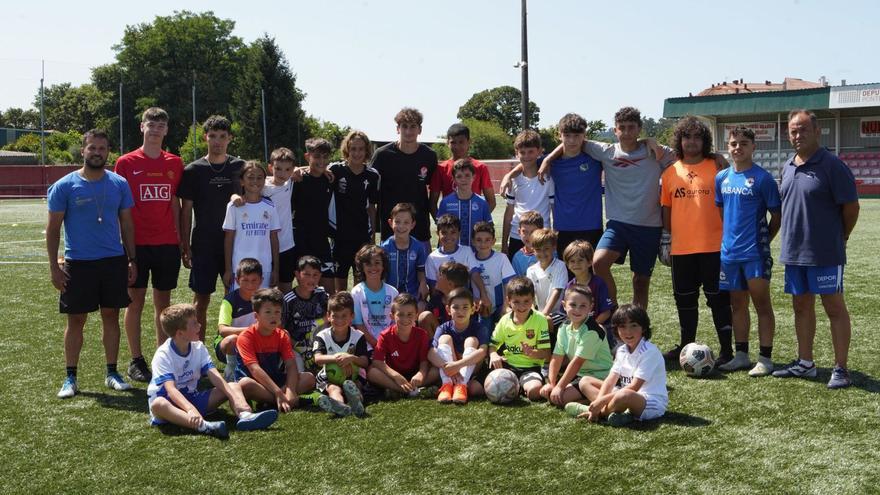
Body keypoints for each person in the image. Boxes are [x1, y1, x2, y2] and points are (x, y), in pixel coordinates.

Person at [535, 108, 676, 309]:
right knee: (598, 263)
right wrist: (548, 159)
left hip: (649, 225)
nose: (626, 132)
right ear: (615, 130)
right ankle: (615, 312)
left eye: (631, 128)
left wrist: (715, 157)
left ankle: (638, 322)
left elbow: (687, 157)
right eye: (622, 128)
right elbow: (572, 142)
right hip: (617, 224)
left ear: (639, 129)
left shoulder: (655, 151)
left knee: (640, 280)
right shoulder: (606, 151)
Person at [772, 109, 859, 388]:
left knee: (834, 307)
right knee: (801, 306)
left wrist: (841, 236)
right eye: (793, 131)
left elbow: (851, 208)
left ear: (817, 131)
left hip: (825, 252)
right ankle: (805, 363)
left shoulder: (832, 165)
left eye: (803, 129)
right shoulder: (786, 166)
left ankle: (841, 368)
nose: (797, 135)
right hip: (794, 252)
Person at [49, 129, 138, 398]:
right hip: (79, 262)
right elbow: (53, 229)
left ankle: (112, 372)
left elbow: (127, 224)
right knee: (76, 320)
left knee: (111, 315)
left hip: (113, 261)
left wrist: (131, 259)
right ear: (83, 151)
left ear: (108, 151)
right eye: (92, 148)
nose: (97, 152)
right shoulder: (65, 185)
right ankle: (70, 378)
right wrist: (54, 267)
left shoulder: (119, 183)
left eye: (102, 148)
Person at [113, 107, 184, 383]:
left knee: (163, 306)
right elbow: (120, 208)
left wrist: (181, 240)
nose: (155, 129)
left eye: (161, 125)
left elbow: (176, 204)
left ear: (166, 130)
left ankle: (160, 357)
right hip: (136, 245)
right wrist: (125, 246)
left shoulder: (175, 163)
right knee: (134, 303)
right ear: (142, 127)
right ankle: (136, 359)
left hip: (167, 243)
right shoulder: (126, 163)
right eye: (150, 124)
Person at [659, 116, 733, 365]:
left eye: (697, 136)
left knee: (719, 299)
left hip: (715, 247)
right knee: (685, 300)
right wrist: (666, 240)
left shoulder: (718, 167)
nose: (691, 141)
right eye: (686, 136)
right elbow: (666, 210)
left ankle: (727, 351)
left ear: (705, 141)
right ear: (679, 141)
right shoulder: (670, 173)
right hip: (682, 249)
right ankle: (685, 345)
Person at [148, 304, 278, 437]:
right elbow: (171, 390)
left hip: (191, 397)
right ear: (180, 333)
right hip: (169, 405)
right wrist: (191, 410)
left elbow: (214, 375)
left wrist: (234, 398)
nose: (199, 326)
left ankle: (245, 415)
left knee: (232, 386)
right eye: (194, 324)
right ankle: (204, 426)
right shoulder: (163, 355)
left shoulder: (198, 347)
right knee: (158, 404)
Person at [715, 127, 781, 376]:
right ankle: (741, 354)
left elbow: (776, 216)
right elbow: (723, 213)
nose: (737, 148)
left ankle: (765, 358)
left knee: (762, 304)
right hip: (729, 254)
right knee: (737, 305)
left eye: (743, 143)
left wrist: (764, 241)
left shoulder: (763, 179)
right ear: (728, 147)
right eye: (733, 143)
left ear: (754, 147)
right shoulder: (721, 178)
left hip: (754, 253)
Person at [178, 115, 245, 338]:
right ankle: (197, 351)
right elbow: (185, 210)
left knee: (235, 296)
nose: (217, 141)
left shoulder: (240, 167)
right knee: (201, 301)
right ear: (205, 137)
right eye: (213, 136)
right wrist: (184, 244)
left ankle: (234, 353)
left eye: (222, 136)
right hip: (204, 243)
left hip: (235, 243)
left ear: (230, 139)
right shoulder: (193, 170)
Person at [573, 304, 667, 427]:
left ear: (643, 328)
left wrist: (601, 402)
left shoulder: (650, 352)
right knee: (585, 381)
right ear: (616, 329)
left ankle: (595, 412)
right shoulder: (622, 350)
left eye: (634, 325)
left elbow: (634, 388)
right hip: (623, 394)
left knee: (624, 395)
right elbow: (610, 380)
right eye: (622, 326)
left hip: (650, 402)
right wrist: (599, 401)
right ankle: (612, 412)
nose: (628, 332)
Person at [234, 288, 317, 412]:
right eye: (268, 312)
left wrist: (291, 389)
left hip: (275, 379)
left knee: (309, 378)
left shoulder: (282, 335)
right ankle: (289, 401)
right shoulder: (246, 337)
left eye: (277, 312)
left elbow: (290, 365)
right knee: (245, 385)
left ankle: (270, 402)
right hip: (255, 381)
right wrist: (278, 392)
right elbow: (254, 369)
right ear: (256, 316)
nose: (273, 316)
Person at [541, 285, 613, 407]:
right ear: (564, 305)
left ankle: (603, 405)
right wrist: (552, 383)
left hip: (601, 376)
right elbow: (556, 357)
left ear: (591, 307)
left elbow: (577, 362)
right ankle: (589, 402)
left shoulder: (592, 331)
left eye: (583, 306)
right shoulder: (564, 327)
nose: (577, 310)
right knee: (550, 394)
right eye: (573, 305)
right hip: (580, 375)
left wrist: (560, 386)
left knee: (560, 398)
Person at [329, 130, 380, 293]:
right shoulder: (335, 170)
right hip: (340, 235)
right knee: (341, 284)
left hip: (362, 235)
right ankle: (341, 316)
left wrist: (372, 237)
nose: (357, 153)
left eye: (361, 149)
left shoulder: (372, 175)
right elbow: (314, 168)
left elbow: (372, 207)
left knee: (360, 281)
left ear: (366, 151)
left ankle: (359, 316)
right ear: (347, 150)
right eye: (353, 149)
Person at [488, 277, 550, 401]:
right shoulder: (505, 320)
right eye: (516, 302)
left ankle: (521, 387)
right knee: (476, 389)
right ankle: (518, 387)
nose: (521, 306)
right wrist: (493, 355)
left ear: (533, 299)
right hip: (507, 366)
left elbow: (547, 354)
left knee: (534, 391)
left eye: (526, 301)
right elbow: (492, 345)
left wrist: (532, 353)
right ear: (508, 301)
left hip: (530, 368)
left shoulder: (540, 319)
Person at [367, 293, 439, 399]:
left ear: (416, 315)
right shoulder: (385, 335)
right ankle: (407, 390)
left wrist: (421, 374)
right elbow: (377, 361)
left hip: (415, 375)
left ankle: (405, 390)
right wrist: (395, 376)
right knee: (372, 372)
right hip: (395, 377)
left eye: (409, 314)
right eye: (400, 314)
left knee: (436, 371)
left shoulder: (422, 334)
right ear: (392, 316)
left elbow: (424, 361)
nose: (405, 319)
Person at [222, 161, 280, 289]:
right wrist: (228, 269)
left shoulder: (270, 206)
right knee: (241, 306)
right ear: (242, 181)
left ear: (265, 181)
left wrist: (276, 269)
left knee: (263, 305)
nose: (255, 181)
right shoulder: (233, 207)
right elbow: (228, 239)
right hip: (240, 268)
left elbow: (274, 239)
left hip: (264, 268)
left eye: (259, 178)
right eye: (250, 177)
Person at [313, 291, 370, 417]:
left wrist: (351, 358)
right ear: (328, 316)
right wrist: (336, 358)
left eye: (344, 316)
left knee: (356, 385)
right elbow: (317, 359)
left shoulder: (358, 336)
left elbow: (365, 362)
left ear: (352, 316)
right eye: (335, 316)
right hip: (329, 376)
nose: (339, 320)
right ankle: (339, 406)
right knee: (334, 389)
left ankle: (357, 403)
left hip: (353, 376)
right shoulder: (322, 336)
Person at [428, 288, 490, 404]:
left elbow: (483, 351)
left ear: (473, 309)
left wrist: (458, 365)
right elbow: (431, 352)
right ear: (448, 310)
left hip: (471, 368)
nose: (460, 311)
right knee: (444, 339)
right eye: (455, 307)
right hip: (449, 370)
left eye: (465, 307)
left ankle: (461, 385)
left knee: (471, 340)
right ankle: (447, 385)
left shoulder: (479, 327)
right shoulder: (443, 328)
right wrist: (448, 366)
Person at [502, 130, 554, 260]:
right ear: (516, 153)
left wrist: (554, 237)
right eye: (522, 152)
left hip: (541, 235)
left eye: (530, 151)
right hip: (517, 235)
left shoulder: (548, 179)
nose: (526, 156)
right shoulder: (513, 179)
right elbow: (509, 212)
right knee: (517, 277)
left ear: (539, 151)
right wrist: (504, 243)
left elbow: (554, 209)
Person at [292, 137, 335, 290]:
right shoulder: (298, 179)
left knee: (329, 289)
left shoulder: (329, 179)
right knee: (305, 288)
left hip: (322, 242)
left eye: (325, 157)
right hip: (301, 241)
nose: (321, 161)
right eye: (317, 156)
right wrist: (295, 169)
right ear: (307, 156)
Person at [429, 123, 496, 214]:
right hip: (451, 225)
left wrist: (480, 221)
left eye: (461, 142)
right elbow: (432, 203)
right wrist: (442, 224)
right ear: (447, 143)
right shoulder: (441, 169)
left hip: (474, 226)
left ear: (469, 142)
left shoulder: (480, 167)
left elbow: (491, 202)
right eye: (453, 142)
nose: (457, 146)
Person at [214, 258, 263, 381]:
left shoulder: (264, 299)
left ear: (261, 281)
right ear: (237, 280)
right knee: (232, 340)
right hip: (229, 344)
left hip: (253, 340)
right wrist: (250, 330)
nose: (250, 285)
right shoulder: (229, 300)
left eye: (254, 281)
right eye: (245, 280)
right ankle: (232, 369)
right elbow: (222, 330)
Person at [282, 256, 329, 375]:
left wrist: (318, 323)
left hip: (319, 344)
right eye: (306, 274)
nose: (311, 279)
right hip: (296, 347)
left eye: (315, 275)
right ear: (297, 274)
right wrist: (300, 348)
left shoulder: (322, 294)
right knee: (299, 375)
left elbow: (332, 316)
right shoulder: (288, 300)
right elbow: (281, 329)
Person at [552, 241, 614, 329]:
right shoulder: (569, 286)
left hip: (597, 328)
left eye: (580, 260)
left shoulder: (598, 283)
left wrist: (589, 327)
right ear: (568, 265)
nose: (576, 264)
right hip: (577, 328)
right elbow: (566, 313)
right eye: (572, 261)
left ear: (589, 262)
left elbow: (606, 312)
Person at [350, 244, 399, 349]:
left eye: (377, 263)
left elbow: (396, 322)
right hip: (366, 344)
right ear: (361, 267)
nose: (373, 267)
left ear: (383, 266)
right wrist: (376, 344)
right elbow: (358, 324)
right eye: (368, 264)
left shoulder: (392, 292)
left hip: (390, 342)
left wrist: (387, 343)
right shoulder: (356, 293)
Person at [437, 158, 493, 247]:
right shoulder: (446, 202)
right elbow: (440, 229)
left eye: (467, 175)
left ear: (473, 177)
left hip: (475, 252)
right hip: (453, 252)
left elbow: (488, 229)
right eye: (459, 176)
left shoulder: (482, 203)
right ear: (454, 179)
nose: (463, 179)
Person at [263, 147, 297, 293]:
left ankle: (285, 316)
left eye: (288, 169)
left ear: (292, 169)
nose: (283, 173)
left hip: (286, 246)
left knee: (286, 289)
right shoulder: (261, 186)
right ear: (270, 168)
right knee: (265, 289)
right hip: (265, 247)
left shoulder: (290, 183)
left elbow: (310, 167)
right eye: (278, 169)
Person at [380, 203, 429, 300]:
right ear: (390, 223)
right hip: (391, 296)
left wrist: (423, 284)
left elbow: (421, 270)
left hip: (412, 294)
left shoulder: (418, 247)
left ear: (413, 224)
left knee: (423, 308)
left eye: (406, 222)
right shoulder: (385, 248)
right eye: (397, 222)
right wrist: (382, 292)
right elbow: (382, 274)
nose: (401, 226)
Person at [471, 221, 516, 323]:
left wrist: (505, 306)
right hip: (480, 307)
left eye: (487, 240)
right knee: (484, 335)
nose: (483, 244)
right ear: (473, 241)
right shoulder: (469, 258)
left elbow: (508, 284)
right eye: (479, 240)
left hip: (500, 306)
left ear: (493, 241)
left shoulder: (501, 258)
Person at [418, 261, 472, 334]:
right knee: (424, 316)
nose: (436, 276)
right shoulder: (436, 299)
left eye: (440, 275)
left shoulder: (465, 301)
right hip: (440, 338)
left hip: (460, 337)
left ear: (450, 284)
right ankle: (433, 345)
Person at [526, 228, 568, 319]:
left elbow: (556, 292)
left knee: (548, 321)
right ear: (533, 250)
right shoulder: (531, 270)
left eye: (546, 249)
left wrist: (544, 314)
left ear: (554, 247)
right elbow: (530, 295)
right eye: (538, 249)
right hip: (540, 313)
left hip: (558, 314)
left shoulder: (560, 266)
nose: (542, 253)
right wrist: (532, 314)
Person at [511, 210, 544, 276]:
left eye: (533, 232)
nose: (528, 236)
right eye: (524, 231)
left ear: (541, 231)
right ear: (519, 232)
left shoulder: (549, 251)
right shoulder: (517, 257)